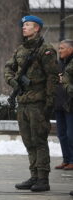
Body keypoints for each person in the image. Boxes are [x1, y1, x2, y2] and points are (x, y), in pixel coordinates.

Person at [5, 15, 58, 192]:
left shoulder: (46, 50)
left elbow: (52, 77)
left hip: (38, 102)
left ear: (37, 28)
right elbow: (8, 68)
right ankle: (34, 175)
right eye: (23, 25)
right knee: (28, 141)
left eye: (28, 25)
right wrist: (13, 82)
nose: (24, 27)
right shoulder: (20, 50)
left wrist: (49, 104)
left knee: (39, 140)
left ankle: (43, 178)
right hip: (23, 101)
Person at [54, 39, 73, 170]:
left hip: (70, 105)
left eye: (62, 48)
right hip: (59, 104)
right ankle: (66, 159)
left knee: (71, 134)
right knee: (61, 134)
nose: (59, 50)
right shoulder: (60, 63)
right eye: (59, 48)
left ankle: (72, 160)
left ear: (70, 49)